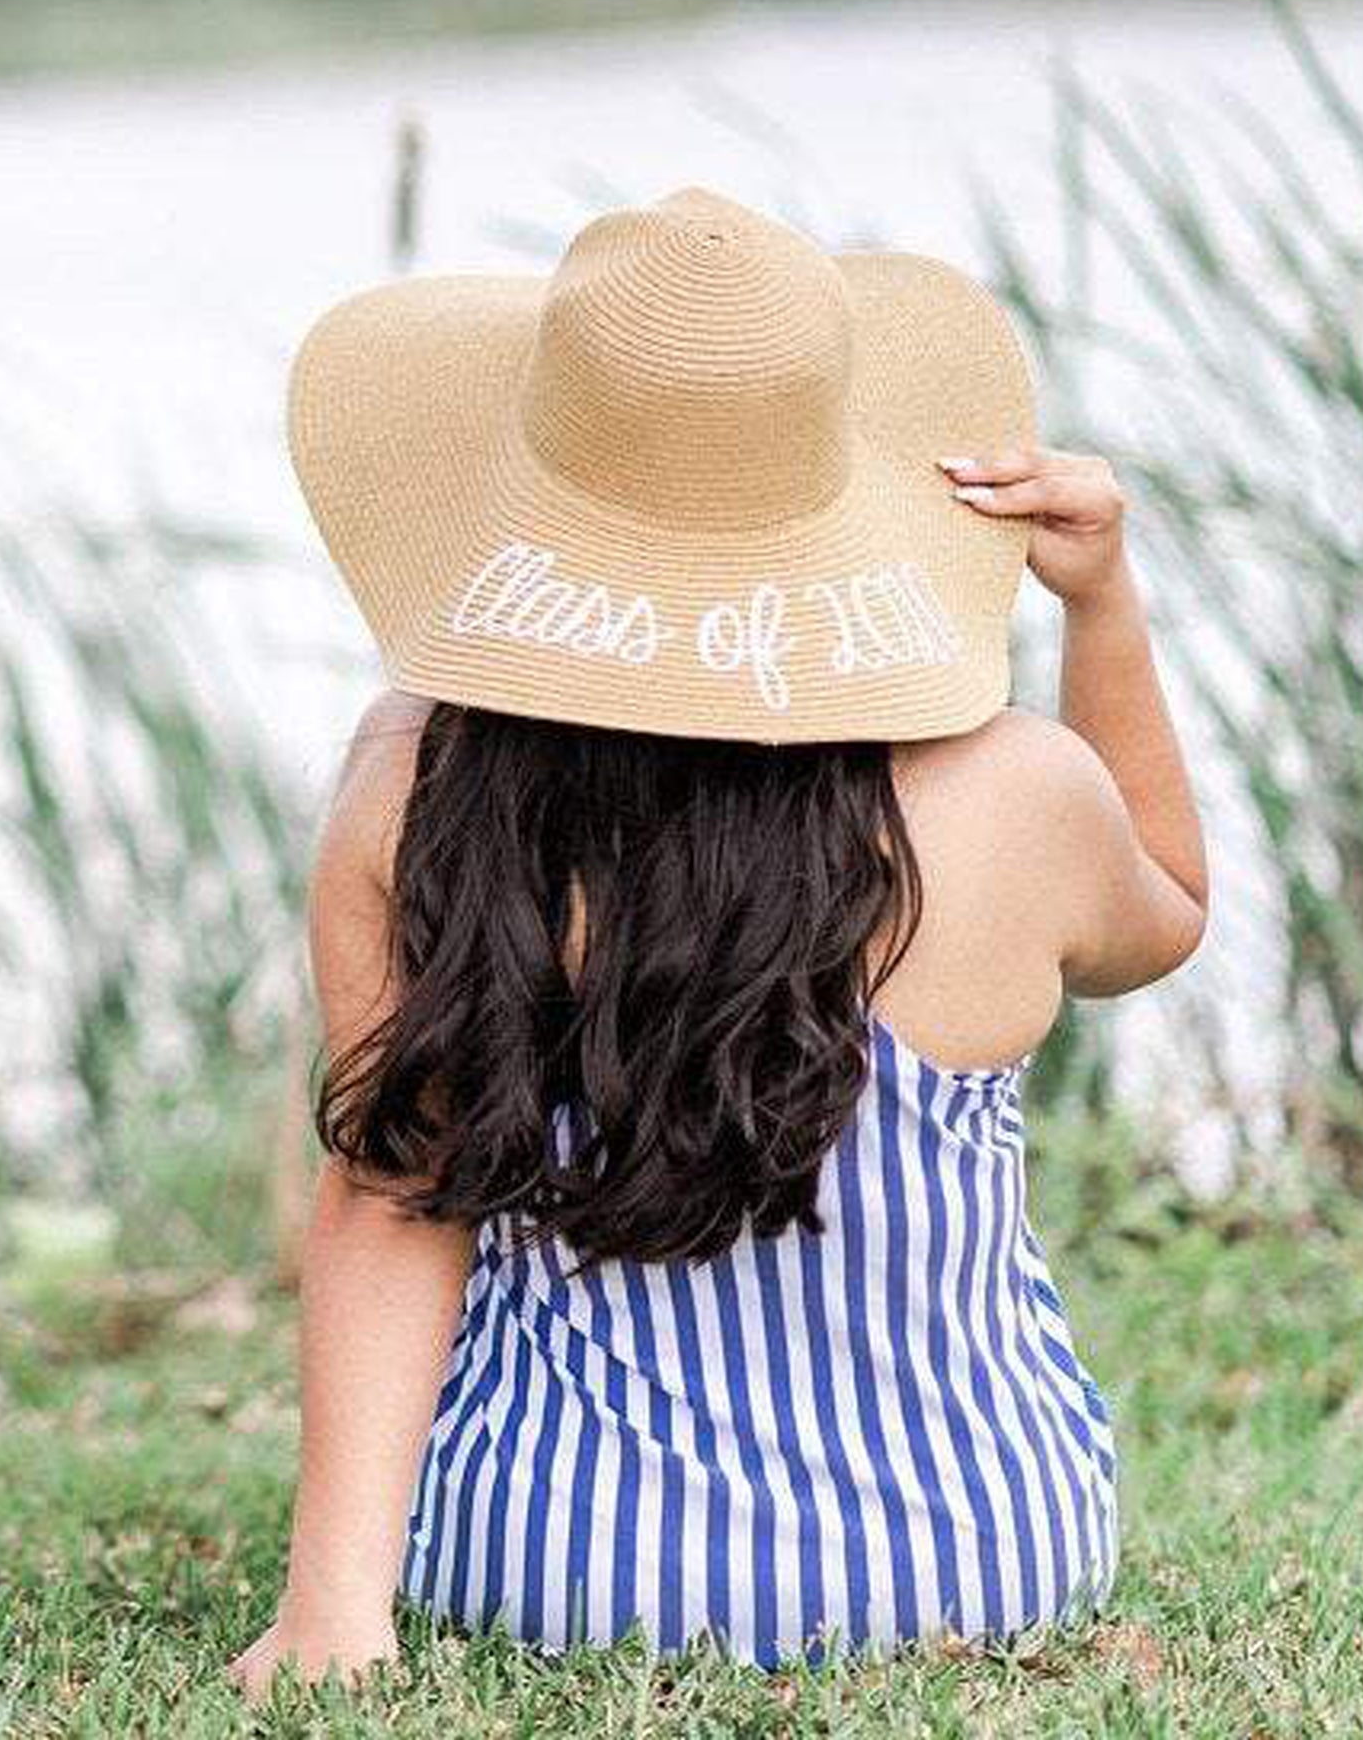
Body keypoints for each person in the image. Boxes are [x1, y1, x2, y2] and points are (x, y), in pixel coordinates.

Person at [229, 186, 1207, 1696]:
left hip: (546, 1558)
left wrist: (332, 1615)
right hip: (976, 1552)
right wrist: (1104, 608)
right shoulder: (1019, 795)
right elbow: (1166, 916)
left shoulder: (414, 790)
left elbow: (391, 1201)